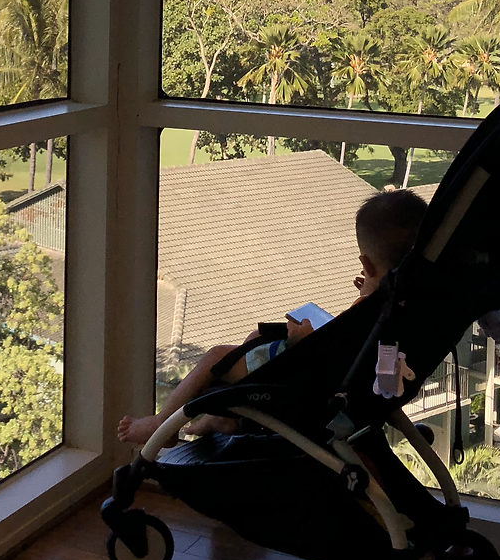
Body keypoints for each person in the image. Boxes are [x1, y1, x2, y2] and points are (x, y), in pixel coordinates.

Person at [117, 188, 428, 447]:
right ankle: (223, 420)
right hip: (350, 378)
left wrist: (301, 341)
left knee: (217, 357)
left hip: (312, 381)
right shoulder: (409, 300)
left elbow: (338, 351)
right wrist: (368, 292)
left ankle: (162, 425)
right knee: (254, 340)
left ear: (366, 264)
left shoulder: (376, 305)